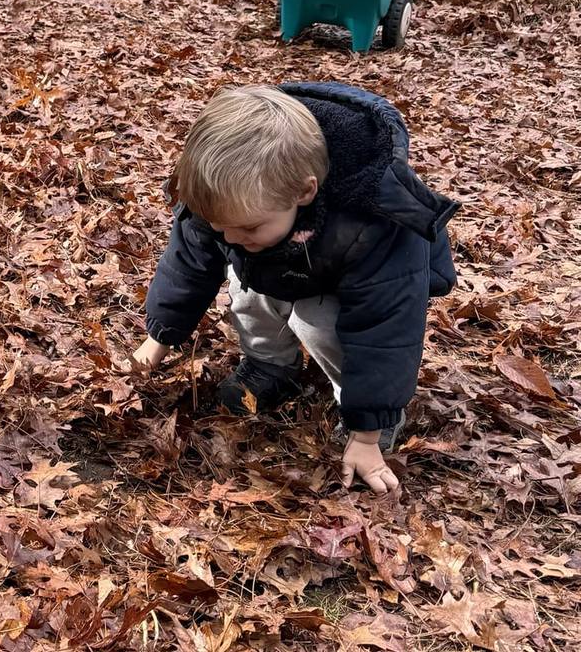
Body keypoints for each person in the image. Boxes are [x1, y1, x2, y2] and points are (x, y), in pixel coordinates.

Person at [133, 82, 458, 493]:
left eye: (247, 227)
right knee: (247, 297)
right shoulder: (221, 203)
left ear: (304, 191)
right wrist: (159, 337)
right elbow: (188, 266)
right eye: (220, 227)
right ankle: (271, 364)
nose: (230, 237)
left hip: (345, 282)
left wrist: (367, 433)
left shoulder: (374, 222)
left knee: (318, 322)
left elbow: (386, 329)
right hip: (274, 265)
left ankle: (373, 416)